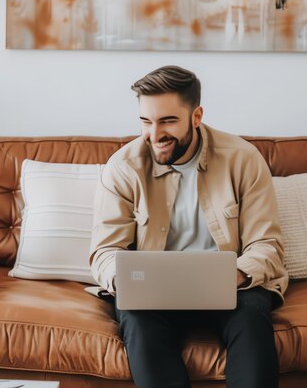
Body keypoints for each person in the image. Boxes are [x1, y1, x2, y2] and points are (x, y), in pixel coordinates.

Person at [90, 65, 288, 388]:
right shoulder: (123, 168)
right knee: (137, 321)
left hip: (232, 289)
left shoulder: (243, 159)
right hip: (153, 297)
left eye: (167, 121)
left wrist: (233, 275)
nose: (154, 135)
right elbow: (104, 252)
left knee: (252, 318)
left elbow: (267, 245)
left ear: (196, 116)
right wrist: (123, 280)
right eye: (145, 121)